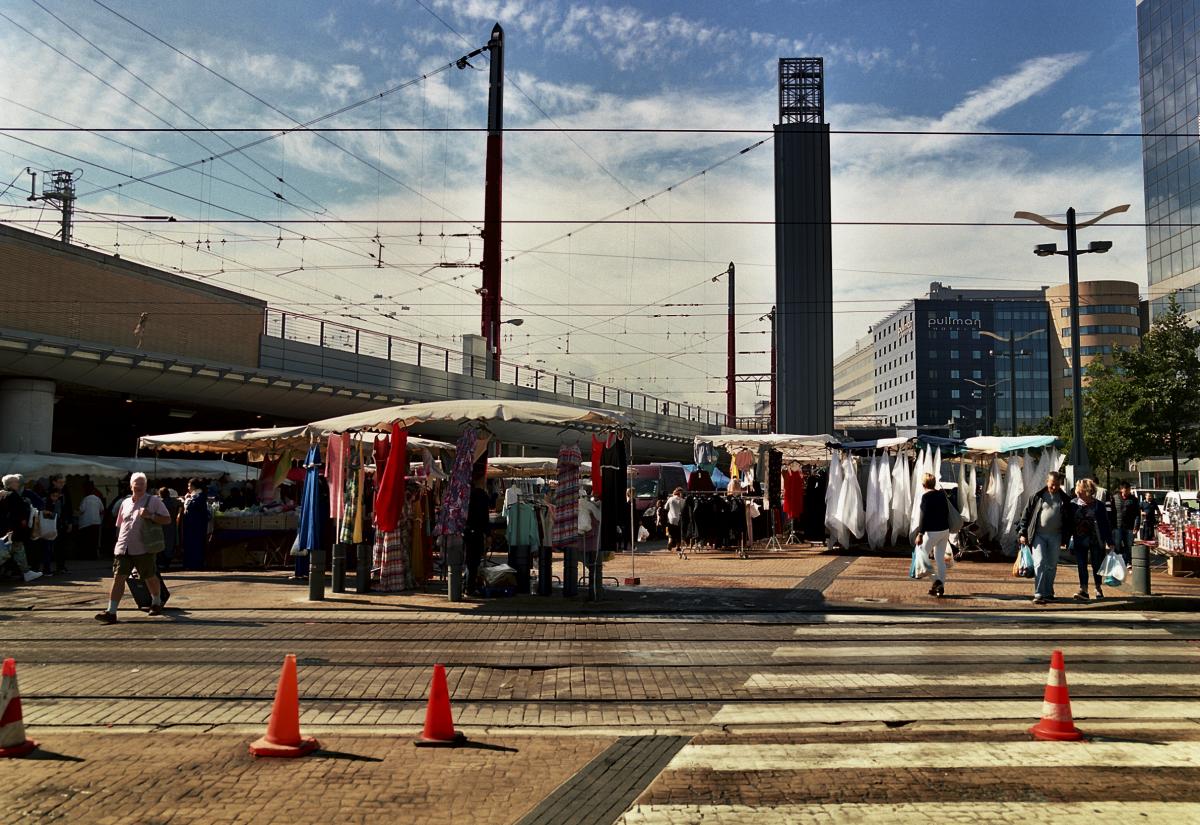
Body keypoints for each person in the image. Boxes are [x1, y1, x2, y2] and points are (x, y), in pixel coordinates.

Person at [94, 472, 171, 623]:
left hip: (144, 548)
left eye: (142, 483)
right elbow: (120, 525)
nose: (139, 485)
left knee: (149, 576)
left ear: (146, 486)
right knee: (118, 578)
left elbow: (167, 519)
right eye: (136, 482)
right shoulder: (125, 503)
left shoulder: (153, 501)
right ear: (131, 485)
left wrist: (151, 516)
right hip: (124, 548)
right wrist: (118, 543)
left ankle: (156, 602)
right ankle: (111, 611)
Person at [1018, 471, 1075, 606]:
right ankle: (1038, 593)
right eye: (1052, 484)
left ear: (1060, 484)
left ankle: (1048, 593)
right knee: (1040, 562)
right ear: (1047, 481)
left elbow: (1069, 519)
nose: (1054, 487)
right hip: (1038, 535)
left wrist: (1067, 536)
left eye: (1057, 484)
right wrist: (1022, 533)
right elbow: (1025, 515)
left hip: (1056, 535)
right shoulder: (1037, 497)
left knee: (1052, 565)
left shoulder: (1065, 499)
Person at [1071, 478, 1114, 602]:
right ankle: (1083, 589)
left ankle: (1098, 588)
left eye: (1079, 489)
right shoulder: (1073, 504)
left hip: (1096, 539)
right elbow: (1068, 521)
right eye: (1077, 489)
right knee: (1081, 565)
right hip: (1079, 539)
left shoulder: (1098, 505)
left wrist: (1110, 541)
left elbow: (1105, 524)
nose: (1077, 491)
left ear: (1087, 491)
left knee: (1097, 565)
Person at [912, 473, 951, 598]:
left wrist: (920, 534)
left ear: (923, 485)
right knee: (939, 559)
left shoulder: (926, 497)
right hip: (944, 530)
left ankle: (936, 581)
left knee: (921, 554)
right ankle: (940, 587)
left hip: (932, 532)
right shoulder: (942, 494)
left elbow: (923, 517)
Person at [0, 474, 42, 582]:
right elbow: (17, 512)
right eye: (16, 482)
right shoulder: (13, 495)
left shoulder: (4, 495)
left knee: (17, 550)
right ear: (10, 483)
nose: (18, 483)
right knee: (7, 552)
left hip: (8, 528)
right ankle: (27, 573)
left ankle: (26, 572)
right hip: (14, 529)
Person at [463, 470, 491, 597]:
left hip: (466, 531)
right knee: (473, 562)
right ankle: (470, 587)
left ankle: (466, 586)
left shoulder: (465, 494)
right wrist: (488, 533)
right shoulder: (481, 496)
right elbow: (484, 517)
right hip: (476, 532)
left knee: (467, 560)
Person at [179, 478, 210, 570]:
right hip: (193, 525)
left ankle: (194, 564)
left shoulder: (199, 496)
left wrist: (186, 500)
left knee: (195, 544)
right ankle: (192, 563)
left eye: (189, 486)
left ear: (193, 486)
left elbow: (191, 506)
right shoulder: (196, 496)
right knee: (192, 544)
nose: (188, 488)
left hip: (196, 525)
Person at [1109, 481, 1140, 569]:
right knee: (1117, 545)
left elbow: (1137, 514)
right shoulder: (1115, 498)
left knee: (1129, 545)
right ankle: (1118, 562)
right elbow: (1112, 513)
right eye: (1125, 490)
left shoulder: (1133, 499)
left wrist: (1136, 526)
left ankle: (1128, 561)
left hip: (1129, 526)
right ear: (1121, 489)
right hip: (1117, 526)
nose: (1127, 492)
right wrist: (1112, 526)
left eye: (1128, 490)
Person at [76, 484, 104, 560]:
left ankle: (86, 556)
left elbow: (81, 510)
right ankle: (94, 556)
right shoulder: (98, 499)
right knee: (94, 541)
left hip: (86, 523)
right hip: (96, 522)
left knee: (87, 541)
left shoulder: (85, 499)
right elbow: (102, 510)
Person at [158, 487, 180, 569]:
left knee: (162, 543)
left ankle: (163, 562)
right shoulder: (174, 502)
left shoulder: (160, 503)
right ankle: (168, 561)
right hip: (172, 525)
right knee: (170, 543)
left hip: (162, 525)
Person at [665, 486, 685, 553]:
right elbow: (683, 510)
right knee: (678, 534)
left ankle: (670, 542)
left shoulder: (670, 499)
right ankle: (678, 547)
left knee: (671, 533)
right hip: (679, 519)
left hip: (671, 519)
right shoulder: (682, 500)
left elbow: (665, 508)